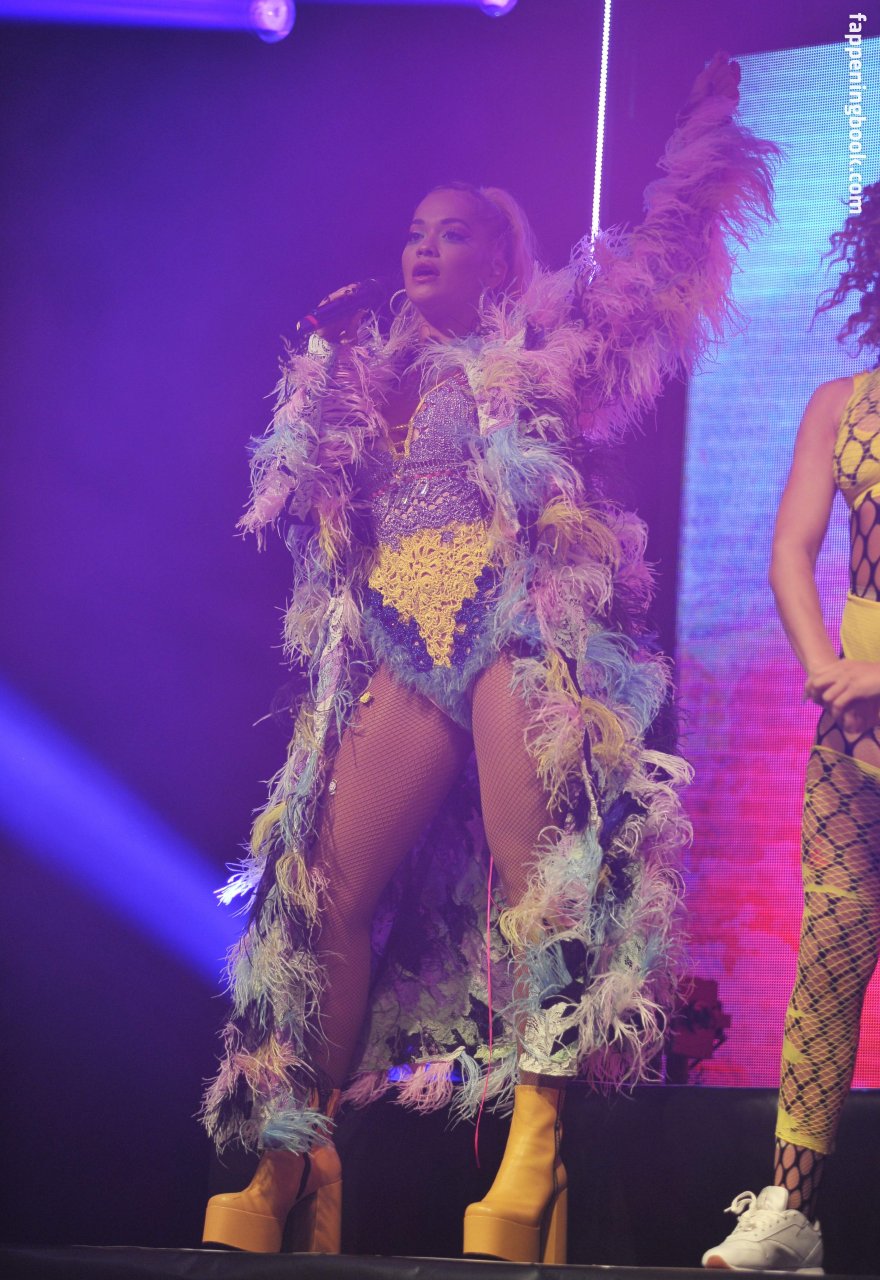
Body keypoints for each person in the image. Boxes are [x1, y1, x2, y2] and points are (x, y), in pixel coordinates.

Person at [201, 54, 776, 1266]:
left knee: (541, 884)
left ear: (502, 258)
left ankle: (534, 1143)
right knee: (322, 890)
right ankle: (295, 1145)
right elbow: (311, 518)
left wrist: (700, 144)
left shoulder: (547, 344)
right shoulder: (369, 376)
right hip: (398, 639)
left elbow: (657, 266)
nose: (422, 248)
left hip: (511, 625)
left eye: (452, 233)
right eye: (415, 232)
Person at [702, 184, 880, 1273]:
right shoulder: (841, 403)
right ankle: (792, 1212)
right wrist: (828, 672)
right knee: (829, 954)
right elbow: (790, 550)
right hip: (853, 733)